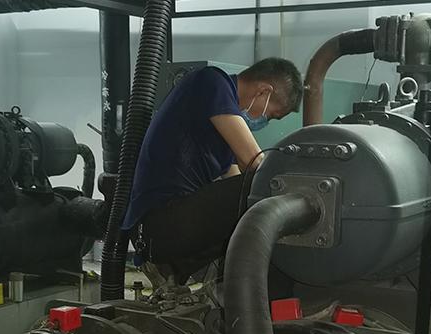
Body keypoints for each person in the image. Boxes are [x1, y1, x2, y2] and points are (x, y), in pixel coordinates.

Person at [121, 58, 304, 284]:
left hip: (174, 227)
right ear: (263, 91)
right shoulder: (212, 82)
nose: (265, 121)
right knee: (266, 187)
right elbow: (255, 163)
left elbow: (238, 182)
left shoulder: (221, 131)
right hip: (158, 225)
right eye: (272, 116)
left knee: (257, 199)